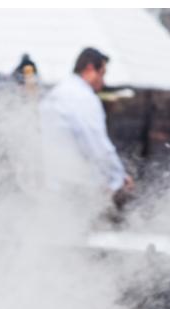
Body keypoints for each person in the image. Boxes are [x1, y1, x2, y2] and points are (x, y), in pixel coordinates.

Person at [39, 46, 133, 205]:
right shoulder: (82, 98)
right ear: (89, 69)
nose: (103, 82)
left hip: (52, 187)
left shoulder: (55, 94)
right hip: (77, 190)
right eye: (102, 74)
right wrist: (118, 177)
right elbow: (97, 145)